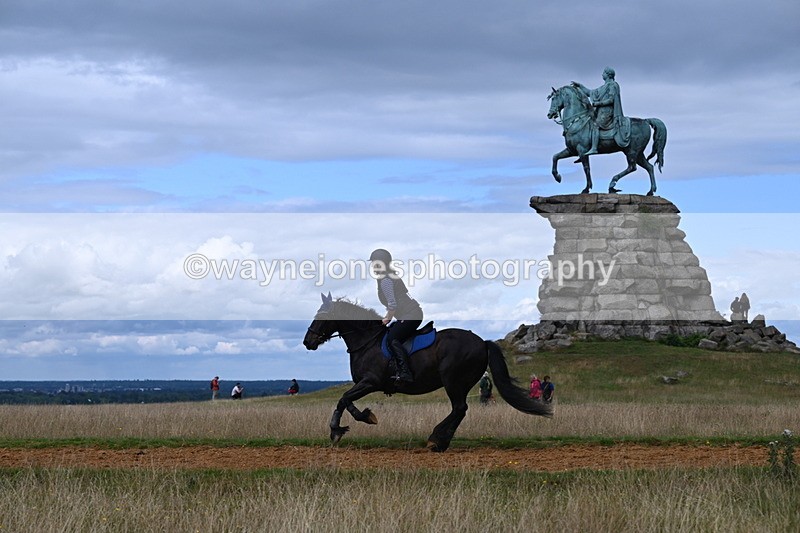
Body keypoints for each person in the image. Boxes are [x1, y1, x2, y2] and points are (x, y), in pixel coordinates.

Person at [370, 248, 423, 383]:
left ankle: (405, 372)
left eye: (375, 263)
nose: (373, 266)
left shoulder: (386, 280)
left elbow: (392, 304)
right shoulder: (388, 276)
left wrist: (386, 319)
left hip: (411, 314)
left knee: (392, 339)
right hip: (410, 313)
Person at [571, 67, 629, 158]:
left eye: (604, 73)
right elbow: (590, 93)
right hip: (600, 111)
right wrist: (580, 86)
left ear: (608, 74)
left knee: (595, 125)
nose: (602, 74)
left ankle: (594, 147)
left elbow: (611, 100)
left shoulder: (613, 85)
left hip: (607, 112)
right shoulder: (603, 87)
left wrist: (598, 103)